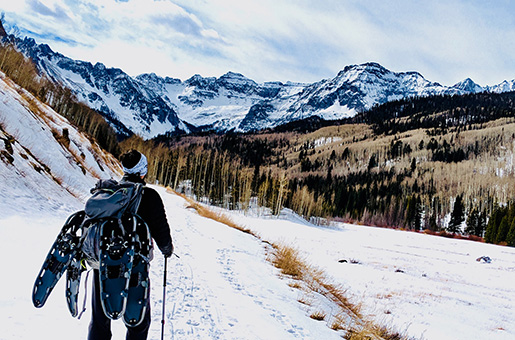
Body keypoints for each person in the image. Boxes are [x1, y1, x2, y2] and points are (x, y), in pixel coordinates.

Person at [88, 150, 174, 340]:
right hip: (135, 267)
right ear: (142, 171)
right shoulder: (149, 196)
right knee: (138, 322)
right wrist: (167, 250)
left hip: (103, 265)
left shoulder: (111, 194)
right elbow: (162, 232)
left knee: (100, 320)